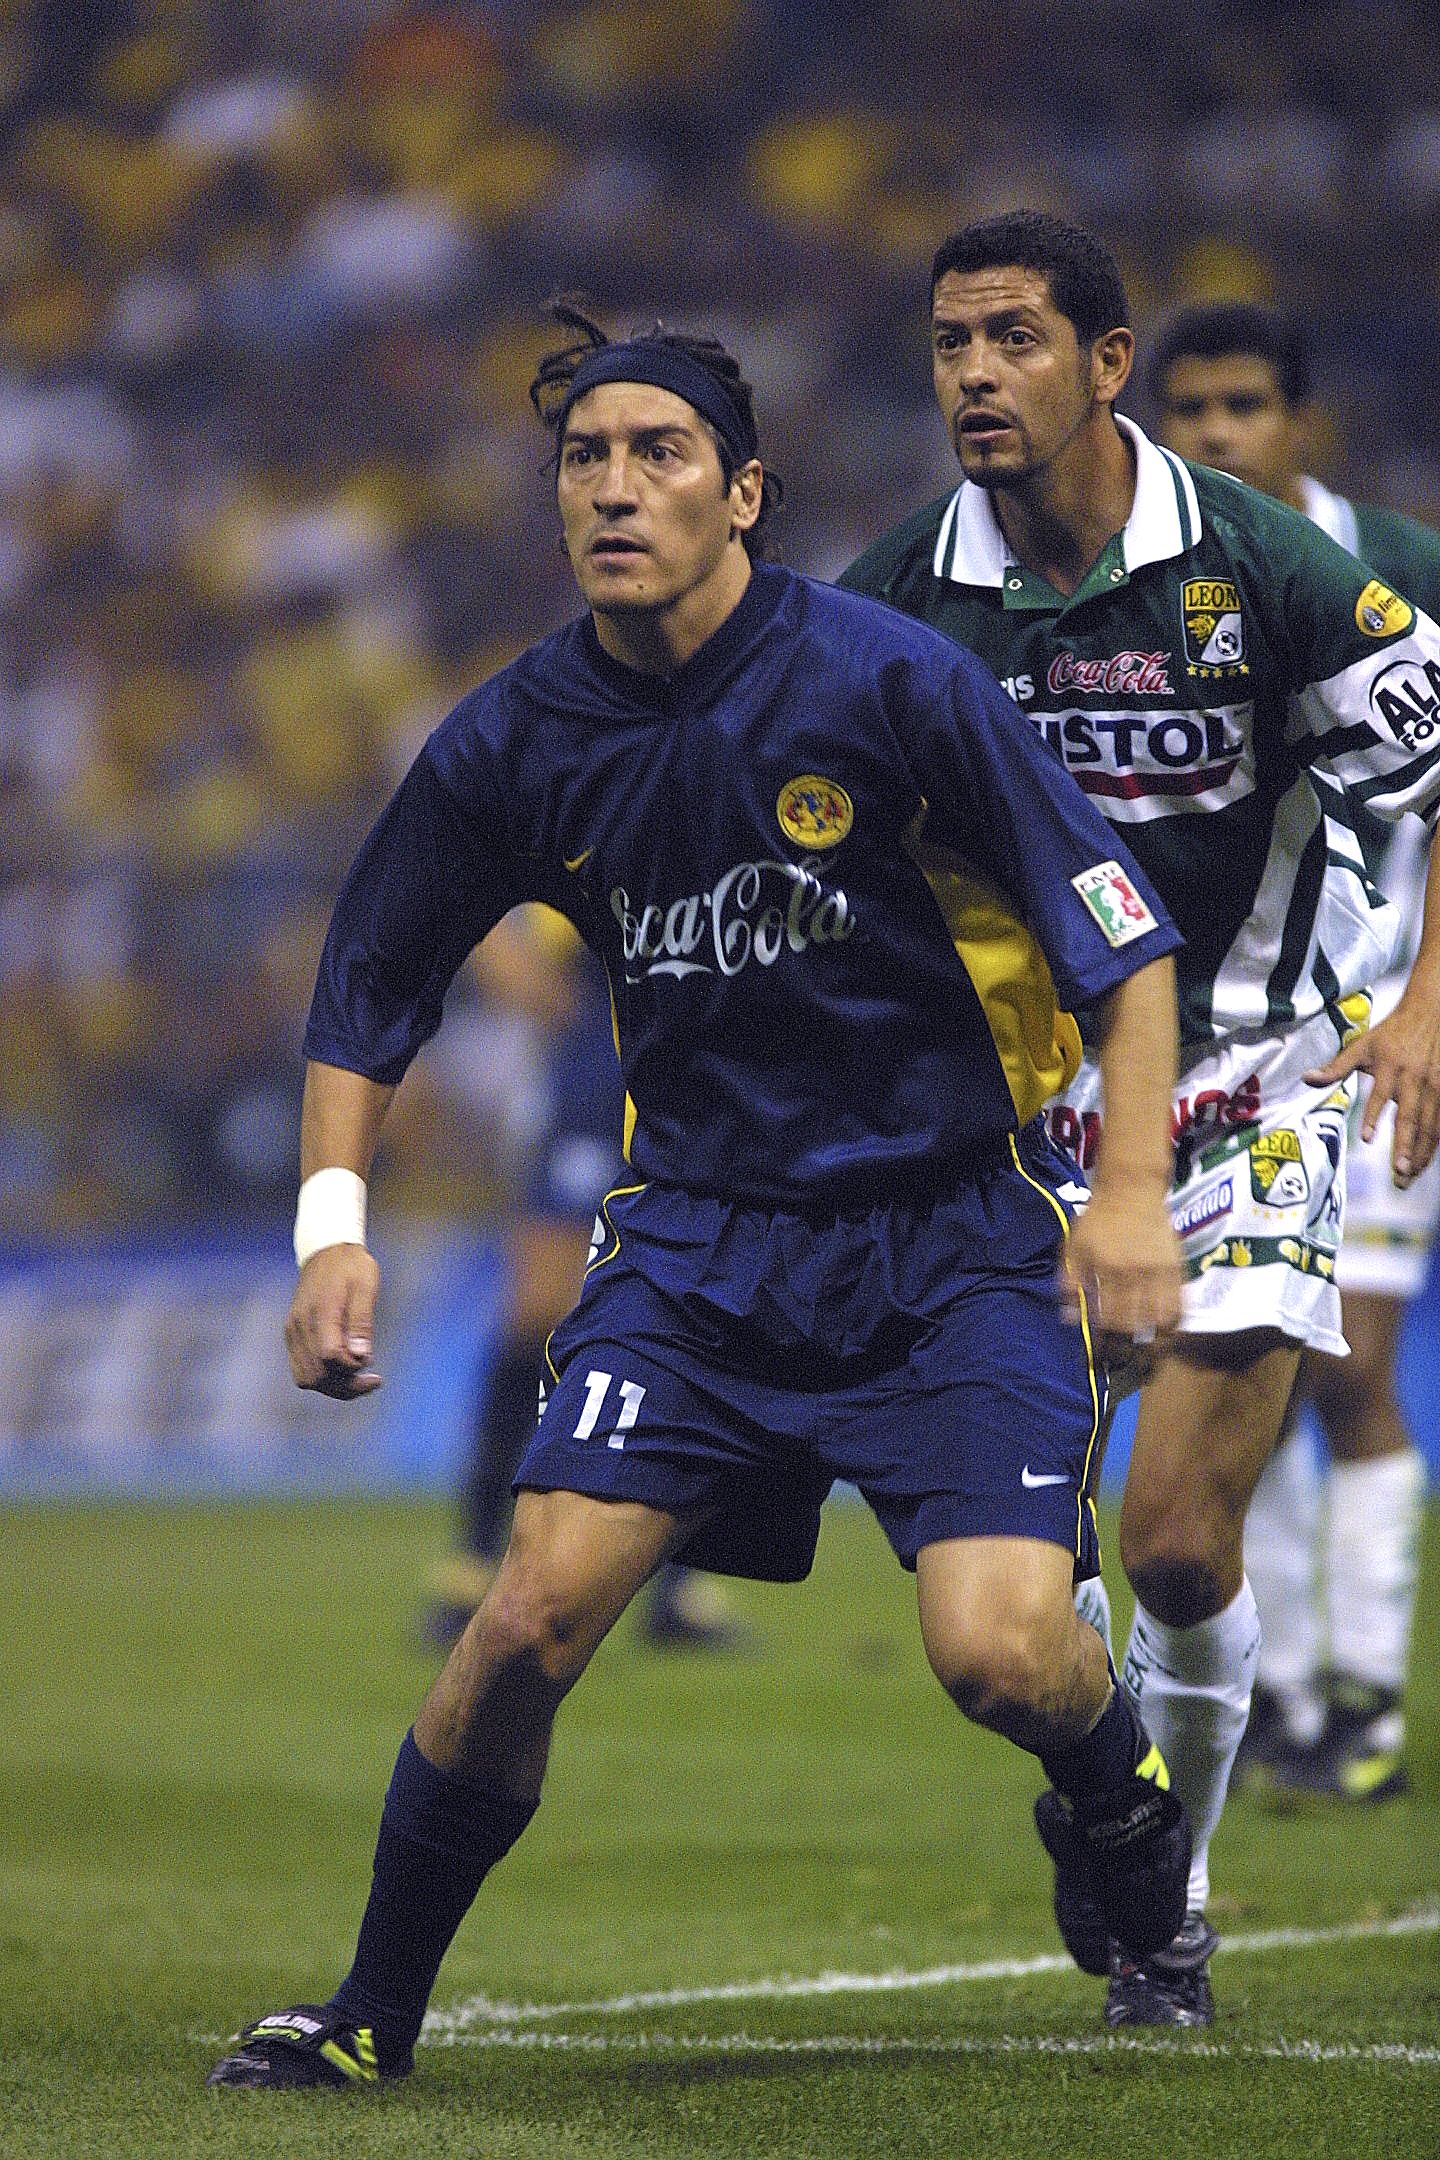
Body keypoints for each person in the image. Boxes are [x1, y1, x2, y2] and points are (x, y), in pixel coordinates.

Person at [209, 305, 1191, 2091]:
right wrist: (329, 1227)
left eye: (657, 454)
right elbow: (369, 979)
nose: (612, 488)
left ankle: (1115, 1787)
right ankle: (369, 2013)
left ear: (743, 492)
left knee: (994, 1656)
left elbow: (1120, 943)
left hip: (949, 1241)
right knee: (526, 1621)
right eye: (585, 457)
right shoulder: (520, 733)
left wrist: (1128, 1197)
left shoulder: (891, 682)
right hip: (698, 1241)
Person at [840, 210, 1440, 2027]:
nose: (972, 375)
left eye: (1013, 338)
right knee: (1028, 1619)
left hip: (1259, 1082)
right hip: (1019, 1122)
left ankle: (1158, 1907)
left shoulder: (1267, 568)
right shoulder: (896, 595)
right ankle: (1127, 1793)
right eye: (950, 342)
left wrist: (1425, 1006)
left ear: (1108, 368)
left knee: (1178, 1541)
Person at [1149, 300, 1439, 1801]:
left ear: (1298, 421)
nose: (1213, 434)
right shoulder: (1161, 573)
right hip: (1250, 1045)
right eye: (1188, 407)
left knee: (1356, 1363)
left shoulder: (1391, 565)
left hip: (1394, 1025)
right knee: (1251, 1376)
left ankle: (1363, 1691)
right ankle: (1288, 1697)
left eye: (1243, 405)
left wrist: (1427, 1007)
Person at [426, 904, 745, 1651]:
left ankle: (676, 1581)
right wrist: (555, 1003)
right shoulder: (598, 818)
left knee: (688, 1316)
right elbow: (494, 932)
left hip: (689, 1086)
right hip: (591, 1087)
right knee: (539, 1311)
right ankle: (474, 1558)